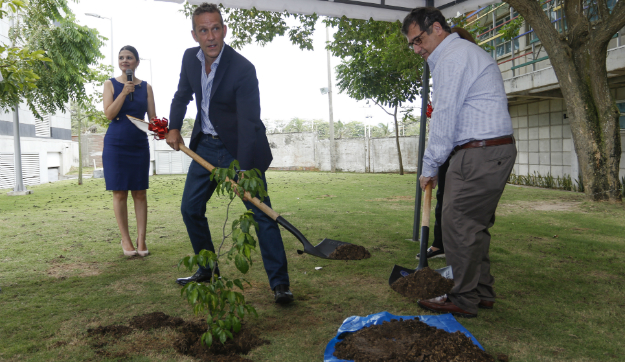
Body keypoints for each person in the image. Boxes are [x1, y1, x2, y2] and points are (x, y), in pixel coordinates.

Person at [167, 3, 293, 304]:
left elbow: (249, 123)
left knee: (261, 213)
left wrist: (246, 170)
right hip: (205, 147)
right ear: (195, 33)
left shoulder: (242, 69)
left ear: (223, 29)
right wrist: (173, 127)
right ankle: (207, 270)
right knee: (190, 209)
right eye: (203, 30)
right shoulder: (189, 58)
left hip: (240, 149)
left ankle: (280, 285)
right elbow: (182, 95)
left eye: (215, 28)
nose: (211, 36)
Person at [402, 8, 516, 318]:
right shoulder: (465, 53)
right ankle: (482, 292)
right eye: (412, 44)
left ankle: (463, 298)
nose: (416, 49)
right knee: (475, 227)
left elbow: (444, 117)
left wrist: (429, 167)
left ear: (437, 28)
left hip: (478, 153)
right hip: (494, 151)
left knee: (458, 226)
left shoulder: (452, 58)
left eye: (419, 40)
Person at [416, 27, 477, 261]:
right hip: (449, 150)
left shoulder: (460, 64)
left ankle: (457, 253)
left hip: (464, 150)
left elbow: (449, 116)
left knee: (457, 207)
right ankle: (441, 244)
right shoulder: (448, 68)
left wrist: (429, 166)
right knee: (444, 200)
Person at [102, 45, 156, 257]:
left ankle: (141, 240)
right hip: (116, 143)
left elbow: (153, 119)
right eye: (121, 58)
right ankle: (125, 240)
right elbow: (109, 114)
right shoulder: (110, 84)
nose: (125, 61)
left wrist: (163, 128)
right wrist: (123, 93)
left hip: (139, 144)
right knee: (119, 192)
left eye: (129, 58)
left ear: (137, 62)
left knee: (140, 192)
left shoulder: (147, 87)